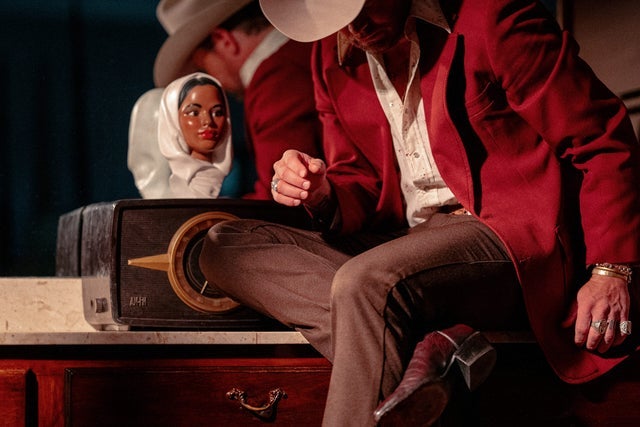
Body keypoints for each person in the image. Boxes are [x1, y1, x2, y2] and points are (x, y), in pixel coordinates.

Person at [199, 0, 640, 425]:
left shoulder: (494, 15)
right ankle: (433, 348)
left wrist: (611, 269)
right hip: (407, 242)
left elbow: (600, 139)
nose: (353, 29)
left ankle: (414, 334)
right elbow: (361, 182)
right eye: (338, 18)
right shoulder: (331, 53)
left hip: (501, 236)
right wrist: (321, 192)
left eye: (361, 8)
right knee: (222, 245)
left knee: (365, 285)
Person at [154, 0, 322, 199]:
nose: (213, 81)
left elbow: (284, 198)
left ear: (224, 40)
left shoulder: (274, 81)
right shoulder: (311, 47)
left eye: (203, 66)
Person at [158, 72, 233, 198]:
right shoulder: (179, 188)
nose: (208, 121)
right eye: (194, 113)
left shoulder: (221, 179)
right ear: (173, 119)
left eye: (217, 113)